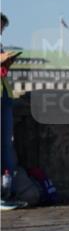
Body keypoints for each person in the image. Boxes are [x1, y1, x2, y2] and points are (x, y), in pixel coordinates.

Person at [1, 12, 22, 210]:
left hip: (5, 97)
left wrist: (7, 61)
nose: (1, 31)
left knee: (6, 146)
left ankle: (8, 192)